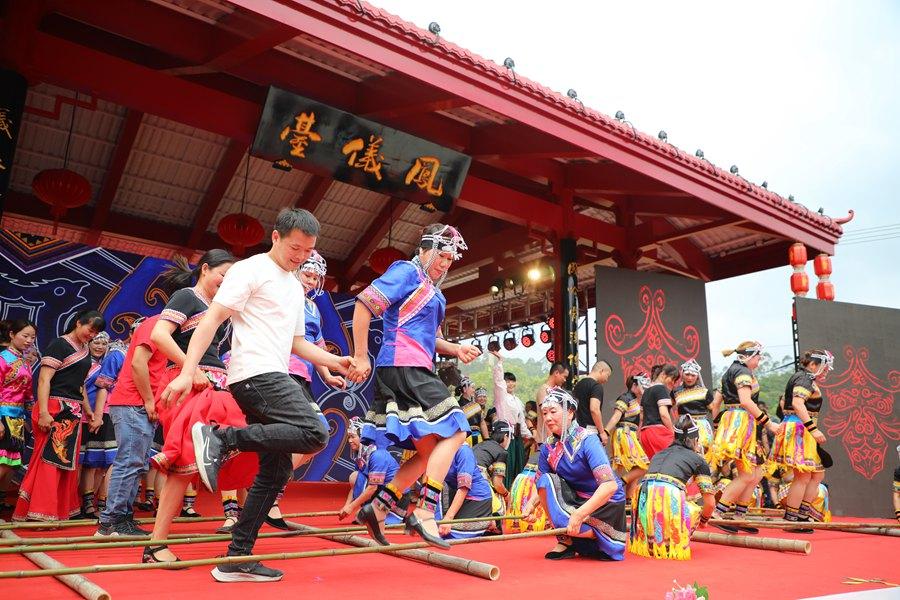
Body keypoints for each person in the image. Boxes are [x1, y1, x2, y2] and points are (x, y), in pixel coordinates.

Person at [167, 208, 352, 582]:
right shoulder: (250, 269)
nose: (300, 257)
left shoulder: (294, 287)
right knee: (315, 431)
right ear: (276, 237)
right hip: (254, 374)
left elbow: (298, 343)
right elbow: (214, 318)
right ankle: (220, 437)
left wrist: (337, 360)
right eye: (295, 248)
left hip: (273, 371)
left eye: (308, 251)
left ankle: (236, 559)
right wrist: (189, 371)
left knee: (276, 469)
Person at [348, 223, 478, 550]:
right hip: (404, 366)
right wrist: (361, 356)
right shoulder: (407, 271)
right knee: (458, 430)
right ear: (424, 249)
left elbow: (428, 338)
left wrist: (455, 349)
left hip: (415, 366)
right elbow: (365, 304)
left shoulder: (433, 290)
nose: (446, 263)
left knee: (429, 452)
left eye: (451, 259)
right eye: (442, 255)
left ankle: (378, 508)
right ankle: (425, 510)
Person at [264, 250, 346, 531]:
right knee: (305, 432)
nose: (311, 281)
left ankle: (271, 489)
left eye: (315, 277)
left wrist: (328, 373)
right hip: (280, 371)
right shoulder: (282, 294)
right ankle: (267, 494)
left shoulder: (312, 307)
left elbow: (317, 345)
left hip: (303, 378)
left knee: (315, 437)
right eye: (307, 274)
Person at [14, 310, 105, 522]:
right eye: (90, 329)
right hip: (54, 408)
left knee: (63, 463)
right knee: (49, 462)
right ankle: (39, 513)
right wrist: (44, 412)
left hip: (73, 411)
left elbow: (79, 384)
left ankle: (54, 511)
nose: (91, 336)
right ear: (78, 322)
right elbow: (44, 380)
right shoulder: (59, 344)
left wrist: (88, 409)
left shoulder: (84, 349)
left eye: (96, 333)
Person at [522, 387, 627, 561]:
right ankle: (566, 541)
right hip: (577, 499)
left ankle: (593, 534)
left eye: (553, 411)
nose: (547, 418)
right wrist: (531, 505)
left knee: (549, 482)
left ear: (570, 412)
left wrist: (579, 515)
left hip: (604, 502)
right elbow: (542, 483)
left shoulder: (588, 440)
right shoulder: (548, 446)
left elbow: (610, 485)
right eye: (544, 413)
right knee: (545, 480)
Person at [95, 316, 166, 537]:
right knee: (128, 461)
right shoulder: (155, 324)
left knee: (138, 464)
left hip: (140, 405)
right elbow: (137, 363)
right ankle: (110, 522)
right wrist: (148, 400)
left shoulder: (164, 329)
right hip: (133, 404)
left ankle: (123, 518)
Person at [708, 342, 778, 534]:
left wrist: (718, 428)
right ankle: (718, 512)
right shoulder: (743, 373)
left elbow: (715, 405)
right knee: (747, 474)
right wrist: (769, 423)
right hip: (742, 423)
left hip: (737, 422)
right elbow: (746, 401)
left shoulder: (730, 372)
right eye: (758, 356)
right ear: (748, 356)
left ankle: (740, 515)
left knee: (756, 474)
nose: (760, 359)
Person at [629, 415, 716, 560]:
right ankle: (671, 546)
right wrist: (704, 520)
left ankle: (650, 543)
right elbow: (710, 503)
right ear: (695, 440)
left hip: (642, 495)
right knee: (694, 510)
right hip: (666, 494)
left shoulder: (658, 454)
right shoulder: (698, 460)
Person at [771, 349, 833, 533]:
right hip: (801, 429)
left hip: (801, 427)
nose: (826, 371)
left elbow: (785, 402)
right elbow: (797, 404)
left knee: (816, 475)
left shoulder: (803, 378)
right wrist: (813, 429)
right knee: (803, 476)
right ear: (813, 365)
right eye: (824, 367)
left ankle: (802, 514)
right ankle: (792, 518)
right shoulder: (804, 379)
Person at [338, 417, 405, 525]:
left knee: (371, 520)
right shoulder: (361, 454)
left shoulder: (377, 454)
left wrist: (351, 507)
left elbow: (372, 487)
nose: (349, 440)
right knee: (355, 476)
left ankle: (383, 513)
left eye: (352, 437)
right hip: (381, 491)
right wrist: (346, 506)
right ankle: (370, 510)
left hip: (395, 494)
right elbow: (356, 484)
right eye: (348, 437)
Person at [0, 320, 37, 508]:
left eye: (32, 337)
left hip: (18, 418)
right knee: (3, 461)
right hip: (3, 416)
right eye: (25, 336)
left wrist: (36, 415)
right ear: (12, 335)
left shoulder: (25, 362)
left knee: (12, 463)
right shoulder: (2, 359)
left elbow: (28, 394)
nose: (29, 340)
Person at [604, 373, 651, 503]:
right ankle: (617, 485)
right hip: (624, 434)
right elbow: (616, 416)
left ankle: (629, 498)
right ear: (634, 385)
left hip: (631, 434)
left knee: (634, 468)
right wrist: (606, 431)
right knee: (643, 466)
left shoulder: (635, 400)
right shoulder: (625, 398)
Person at [490, 351, 533, 492]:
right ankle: (504, 494)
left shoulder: (518, 401)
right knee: (505, 468)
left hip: (517, 438)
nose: (510, 383)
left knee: (517, 467)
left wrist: (531, 436)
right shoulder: (501, 397)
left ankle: (516, 495)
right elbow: (498, 382)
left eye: (512, 380)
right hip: (505, 437)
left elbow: (522, 422)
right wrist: (500, 362)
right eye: (507, 380)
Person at [440, 443, 494, 539]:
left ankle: (489, 521)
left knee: (449, 533)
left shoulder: (463, 451)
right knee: (434, 528)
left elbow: (463, 488)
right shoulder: (438, 449)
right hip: (454, 494)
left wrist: (448, 518)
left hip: (476, 497)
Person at [672, 360, 716, 459]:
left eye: (693, 375)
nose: (690, 378)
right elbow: (668, 407)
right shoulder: (676, 391)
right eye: (687, 374)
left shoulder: (704, 391)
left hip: (701, 426)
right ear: (682, 374)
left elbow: (713, 409)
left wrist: (717, 427)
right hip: (683, 425)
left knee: (703, 453)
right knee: (684, 453)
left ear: (697, 376)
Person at [639, 364, 679, 460]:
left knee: (656, 465)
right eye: (672, 379)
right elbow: (664, 414)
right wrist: (672, 432)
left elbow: (641, 416)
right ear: (664, 375)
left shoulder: (646, 392)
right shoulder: (661, 389)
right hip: (658, 433)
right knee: (673, 460)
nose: (673, 383)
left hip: (645, 434)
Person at [473, 420, 512, 521]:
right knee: (499, 506)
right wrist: (507, 494)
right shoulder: (502, 452)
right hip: (477, 476)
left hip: (462, 475)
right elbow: (497, 483)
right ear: (505, 436)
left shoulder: (481, 445)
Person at [573, 360, 612, 441]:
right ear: (601, 371)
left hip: (576, 431)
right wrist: (602, 432)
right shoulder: (596, 386)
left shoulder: (577, 385)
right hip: (590, 431)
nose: (607, 380)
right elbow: (594, 409)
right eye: (607, 375)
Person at [535, 363, 570, 443]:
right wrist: (551, 439)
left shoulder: (556, 391)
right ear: (556, 373)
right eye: (564, 376)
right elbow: (546, 416)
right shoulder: (544, 390)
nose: (565, 380)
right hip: (546, 440)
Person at [456, 377, 488, 446]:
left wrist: (487, 439)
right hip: (464, 439)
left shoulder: (476, 405)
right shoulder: (457, 406)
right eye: (472, 388)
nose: (474, 390)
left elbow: (482, 423)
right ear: (464, 389)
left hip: (478, 438)